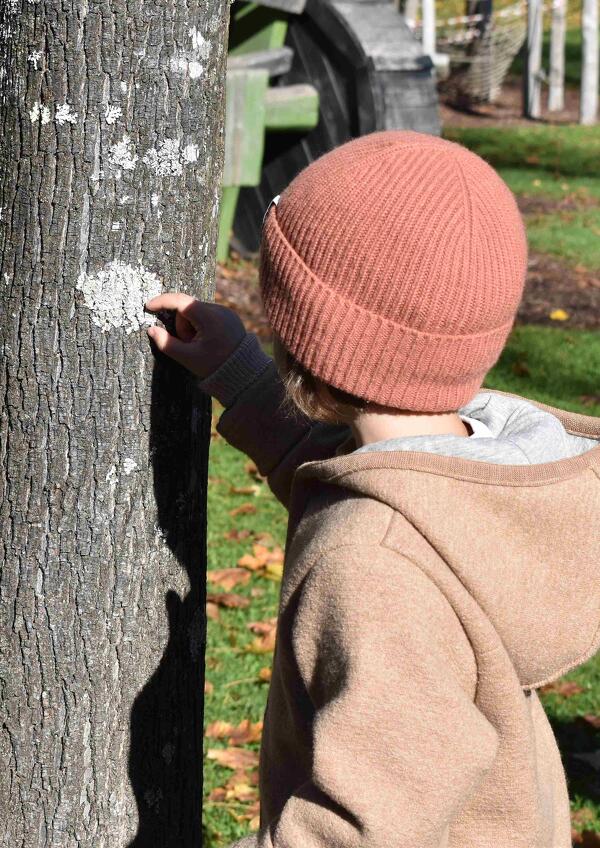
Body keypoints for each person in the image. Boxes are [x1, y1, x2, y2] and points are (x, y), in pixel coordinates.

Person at [144, 130, 600, 848]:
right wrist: (244, 379)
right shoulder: (477, 474)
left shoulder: (371, 561)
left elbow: (357, 831)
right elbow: (356, 468)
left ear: (311, 336)